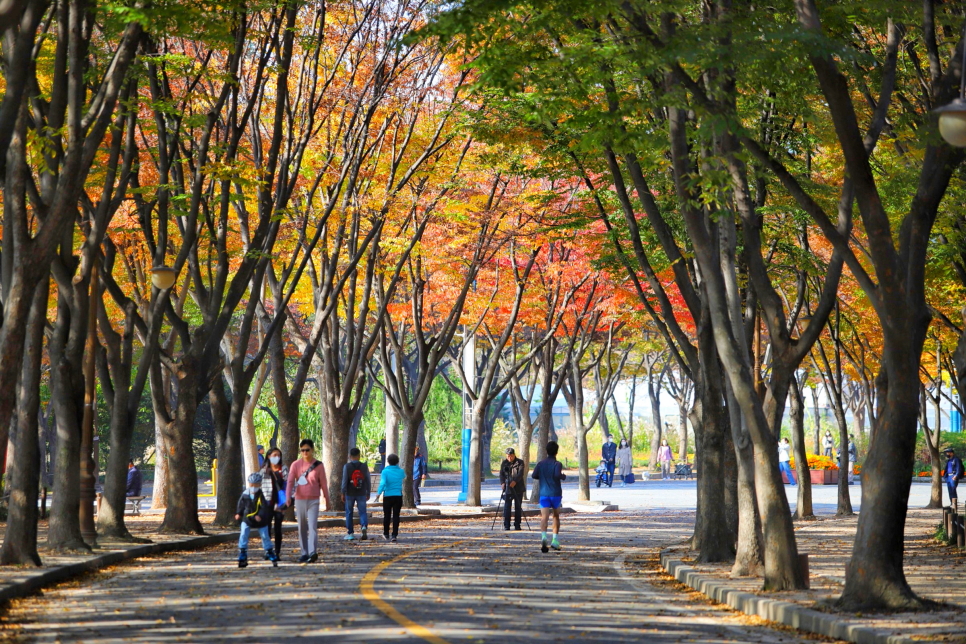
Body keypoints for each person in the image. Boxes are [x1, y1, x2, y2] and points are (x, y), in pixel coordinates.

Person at [285, 439, 329, 563]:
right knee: (302, 527)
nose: (305, 452)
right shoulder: (295, 464)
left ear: (312, 450)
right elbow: (290, 481)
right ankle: (304, 552)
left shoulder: (319, 465)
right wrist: (288, 496)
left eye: (307, 450)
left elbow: (324, 483)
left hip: (314, 500)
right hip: (300, 500)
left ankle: (312, 552)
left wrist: (327, 499)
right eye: (302, 450)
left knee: (313, 526)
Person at [235, 472, 278, 568]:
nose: (253, 487)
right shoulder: (245, 494)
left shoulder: (261, 495)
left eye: (256, 485)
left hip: (261, 521)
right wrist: (239, 513)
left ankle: (269, 551)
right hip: (247, 519)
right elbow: (241, 506)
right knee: (243, 533)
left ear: (260, 485)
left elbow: (264, 508)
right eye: (252, 485)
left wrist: (260, 516)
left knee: (265, 535)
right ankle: (242, 552)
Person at [532, 440, 567, 553]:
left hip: (544, 494)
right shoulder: (557, 464)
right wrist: (562, 476)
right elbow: (557, 474)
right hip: (555, 493)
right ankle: (555, 540)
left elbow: (534, 475)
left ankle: (543, 537)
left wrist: (543, 476)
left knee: (544, 517)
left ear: (546, 451)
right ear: (556, 452)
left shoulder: (540, 464)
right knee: (556, 516)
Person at [261, 447, 288, 558]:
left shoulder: (284, 468)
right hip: (267, 503)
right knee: (266, 528)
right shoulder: (264, 470)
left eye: (278, 455)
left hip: (280, 503)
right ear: (268, 456)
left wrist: (287, 501)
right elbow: (260, 486)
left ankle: (277, 552)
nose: (276, 457)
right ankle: (268, 551)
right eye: (274, 455)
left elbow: (289, 484)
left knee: (278, 528)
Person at [341, 447, 371, 541]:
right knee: (362, 511)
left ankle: (350, 533)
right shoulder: (364, 466)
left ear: (350, 456)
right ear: (359, 456)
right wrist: (368, 492)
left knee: (349, 512)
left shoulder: (347, 466)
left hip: (350, 492)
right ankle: (363, 527)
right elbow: (368, 480)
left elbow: (344, 480)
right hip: (361, 492)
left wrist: (343, 492)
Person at [377, 453, 405, 542]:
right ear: (397, 462)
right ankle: (394, 535)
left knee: (387, 515)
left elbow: (383, 483)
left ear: (388, 461)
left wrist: (379, 493)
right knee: (396, 515)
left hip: (388, 495)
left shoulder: (385, 471)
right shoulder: (401, 471)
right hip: (398, 495)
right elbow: (404, 477)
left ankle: (386, 533)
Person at [499, 447, 525, 530]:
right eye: (507, 456)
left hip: (518, 488)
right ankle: (507, 524)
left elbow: (520, 474)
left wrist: (515, 481)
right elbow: (501, 474)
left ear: (514, 455)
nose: (509, 458)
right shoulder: (504, 463)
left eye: (511, 456)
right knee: (507, 507)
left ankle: (517, 524)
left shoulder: (520, 462)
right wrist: (502, 483)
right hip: (508, 488)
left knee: (518, 507)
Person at [943, 447, 964, 512]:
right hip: (948, 477)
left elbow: (959, 468)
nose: (947, 454)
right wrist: (945, 476)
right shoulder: (949, 460)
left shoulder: (956, 460)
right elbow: (947, 469)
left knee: (953, 489)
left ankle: (954, 504)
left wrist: (956, 476)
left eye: (948, 452)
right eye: (946, 453)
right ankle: (951, 503)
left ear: (952, 453)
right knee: (950, 490)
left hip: (953, 476)